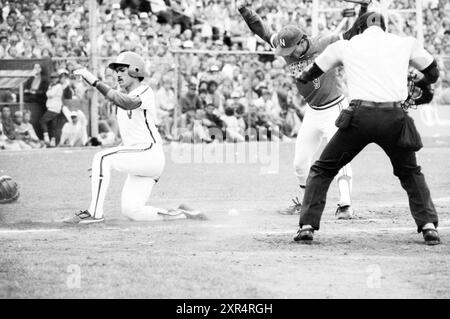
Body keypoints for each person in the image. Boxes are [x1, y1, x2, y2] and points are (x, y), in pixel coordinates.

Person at [293, 12, 441, 245]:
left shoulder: (345, 45)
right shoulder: (405, 43)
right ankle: (428, 225)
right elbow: (433, 74)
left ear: (360, 28)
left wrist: (304, 74)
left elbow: (308, 75)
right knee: (410, 172)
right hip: (394, 117)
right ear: (385, 26)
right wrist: (416, 82)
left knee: (323, 169)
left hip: (359, 117)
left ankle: (308, 226)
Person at [237, 1, 363, 218]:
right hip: (313, 111)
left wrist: (364, 9)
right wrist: (244, 11)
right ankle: (307, 202)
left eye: (290, 49)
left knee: (341, 157)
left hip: (335, 108)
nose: (287, 54)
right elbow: (262, 30)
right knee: (300, 163)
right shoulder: (285, 44)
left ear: (302, 42)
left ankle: (345, 205)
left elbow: (353, 34)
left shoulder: (324, 43)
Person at [63, 51, 206, 224]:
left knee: (101, 157)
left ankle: (94, 213)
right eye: (116, 71)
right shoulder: (122, 94)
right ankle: (184, 214)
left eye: (122, 70)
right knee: (132, 211)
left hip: (149, 153)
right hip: (141, 157)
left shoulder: (144, 90)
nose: (117, 74)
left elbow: (126, 102)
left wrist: (94, 81)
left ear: (135, 70)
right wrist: (100, 166)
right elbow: (129, 129)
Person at [40, 71, 63, 147]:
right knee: (53, 125)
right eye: (52, 78)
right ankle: (53, 142)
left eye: (55, 78)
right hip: (53, 107)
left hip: (54, 107)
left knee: (42, 121)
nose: (53, 79)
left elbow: (50, 94)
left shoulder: (58, 86)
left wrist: (49, 89)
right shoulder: (53, 85)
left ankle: (46, 138)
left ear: (58, 79)